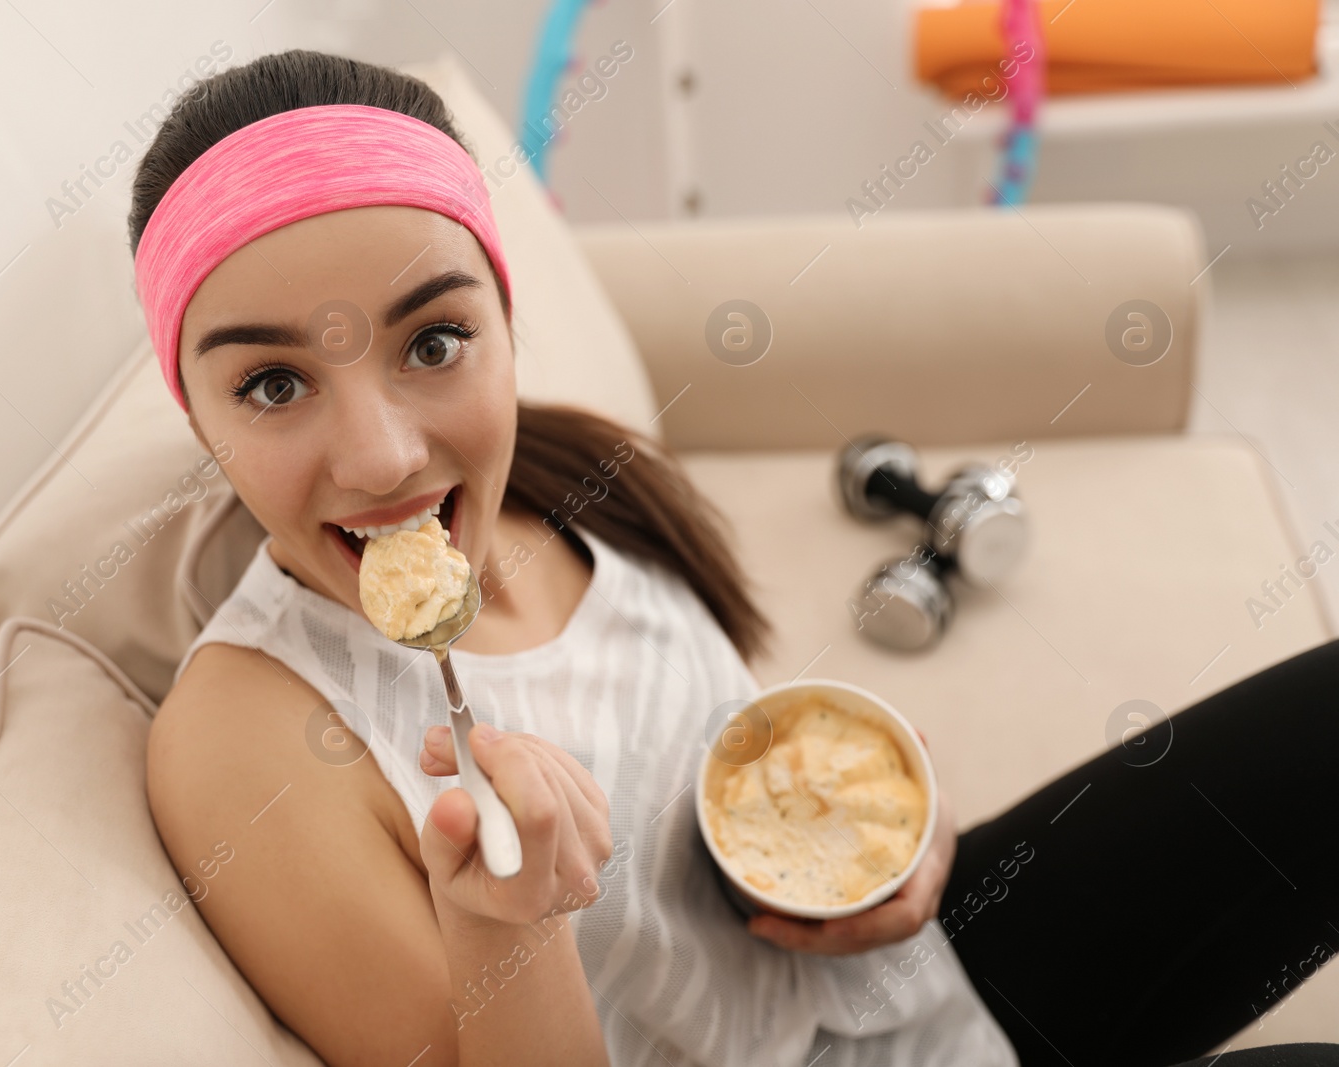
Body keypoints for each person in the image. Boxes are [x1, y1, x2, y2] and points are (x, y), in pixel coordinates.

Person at [138, 48, 1339, 1067]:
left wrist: (884, 845)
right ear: (198, 418)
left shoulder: (559, 478)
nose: (384, 453)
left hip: (914, 979)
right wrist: (508, 924)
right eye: (274, 382)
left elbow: (726, 762)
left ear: (507, 319)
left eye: (435, 339)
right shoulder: (243, 736)